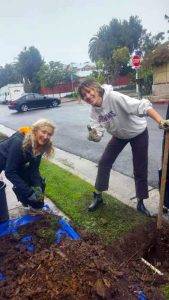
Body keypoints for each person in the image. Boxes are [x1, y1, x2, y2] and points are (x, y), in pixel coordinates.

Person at [78, 79, 169, 216]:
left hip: (138, 133)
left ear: (96, 89)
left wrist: (160, 121)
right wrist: (94, 135)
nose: (88, 97)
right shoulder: (93, 112)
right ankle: (98, 196)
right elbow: (98, 131)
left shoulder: (114, 97)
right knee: (104, 162)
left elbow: (142, 106)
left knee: (140, 168)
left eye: (89, 92)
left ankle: (140, 202)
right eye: (84, 95)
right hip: (119, 136)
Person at [0, 119, 55, 212]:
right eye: (43, 132)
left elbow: (34, 170)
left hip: (15, 162)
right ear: (35, 130)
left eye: (49, 134)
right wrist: (29, 193)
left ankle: (28, 203)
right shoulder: (19, 142)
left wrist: (38, 190)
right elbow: (10, 172)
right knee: (25, 189)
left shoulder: (41, 146)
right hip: (2, 159)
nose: (46, 136)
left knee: (35, 182)